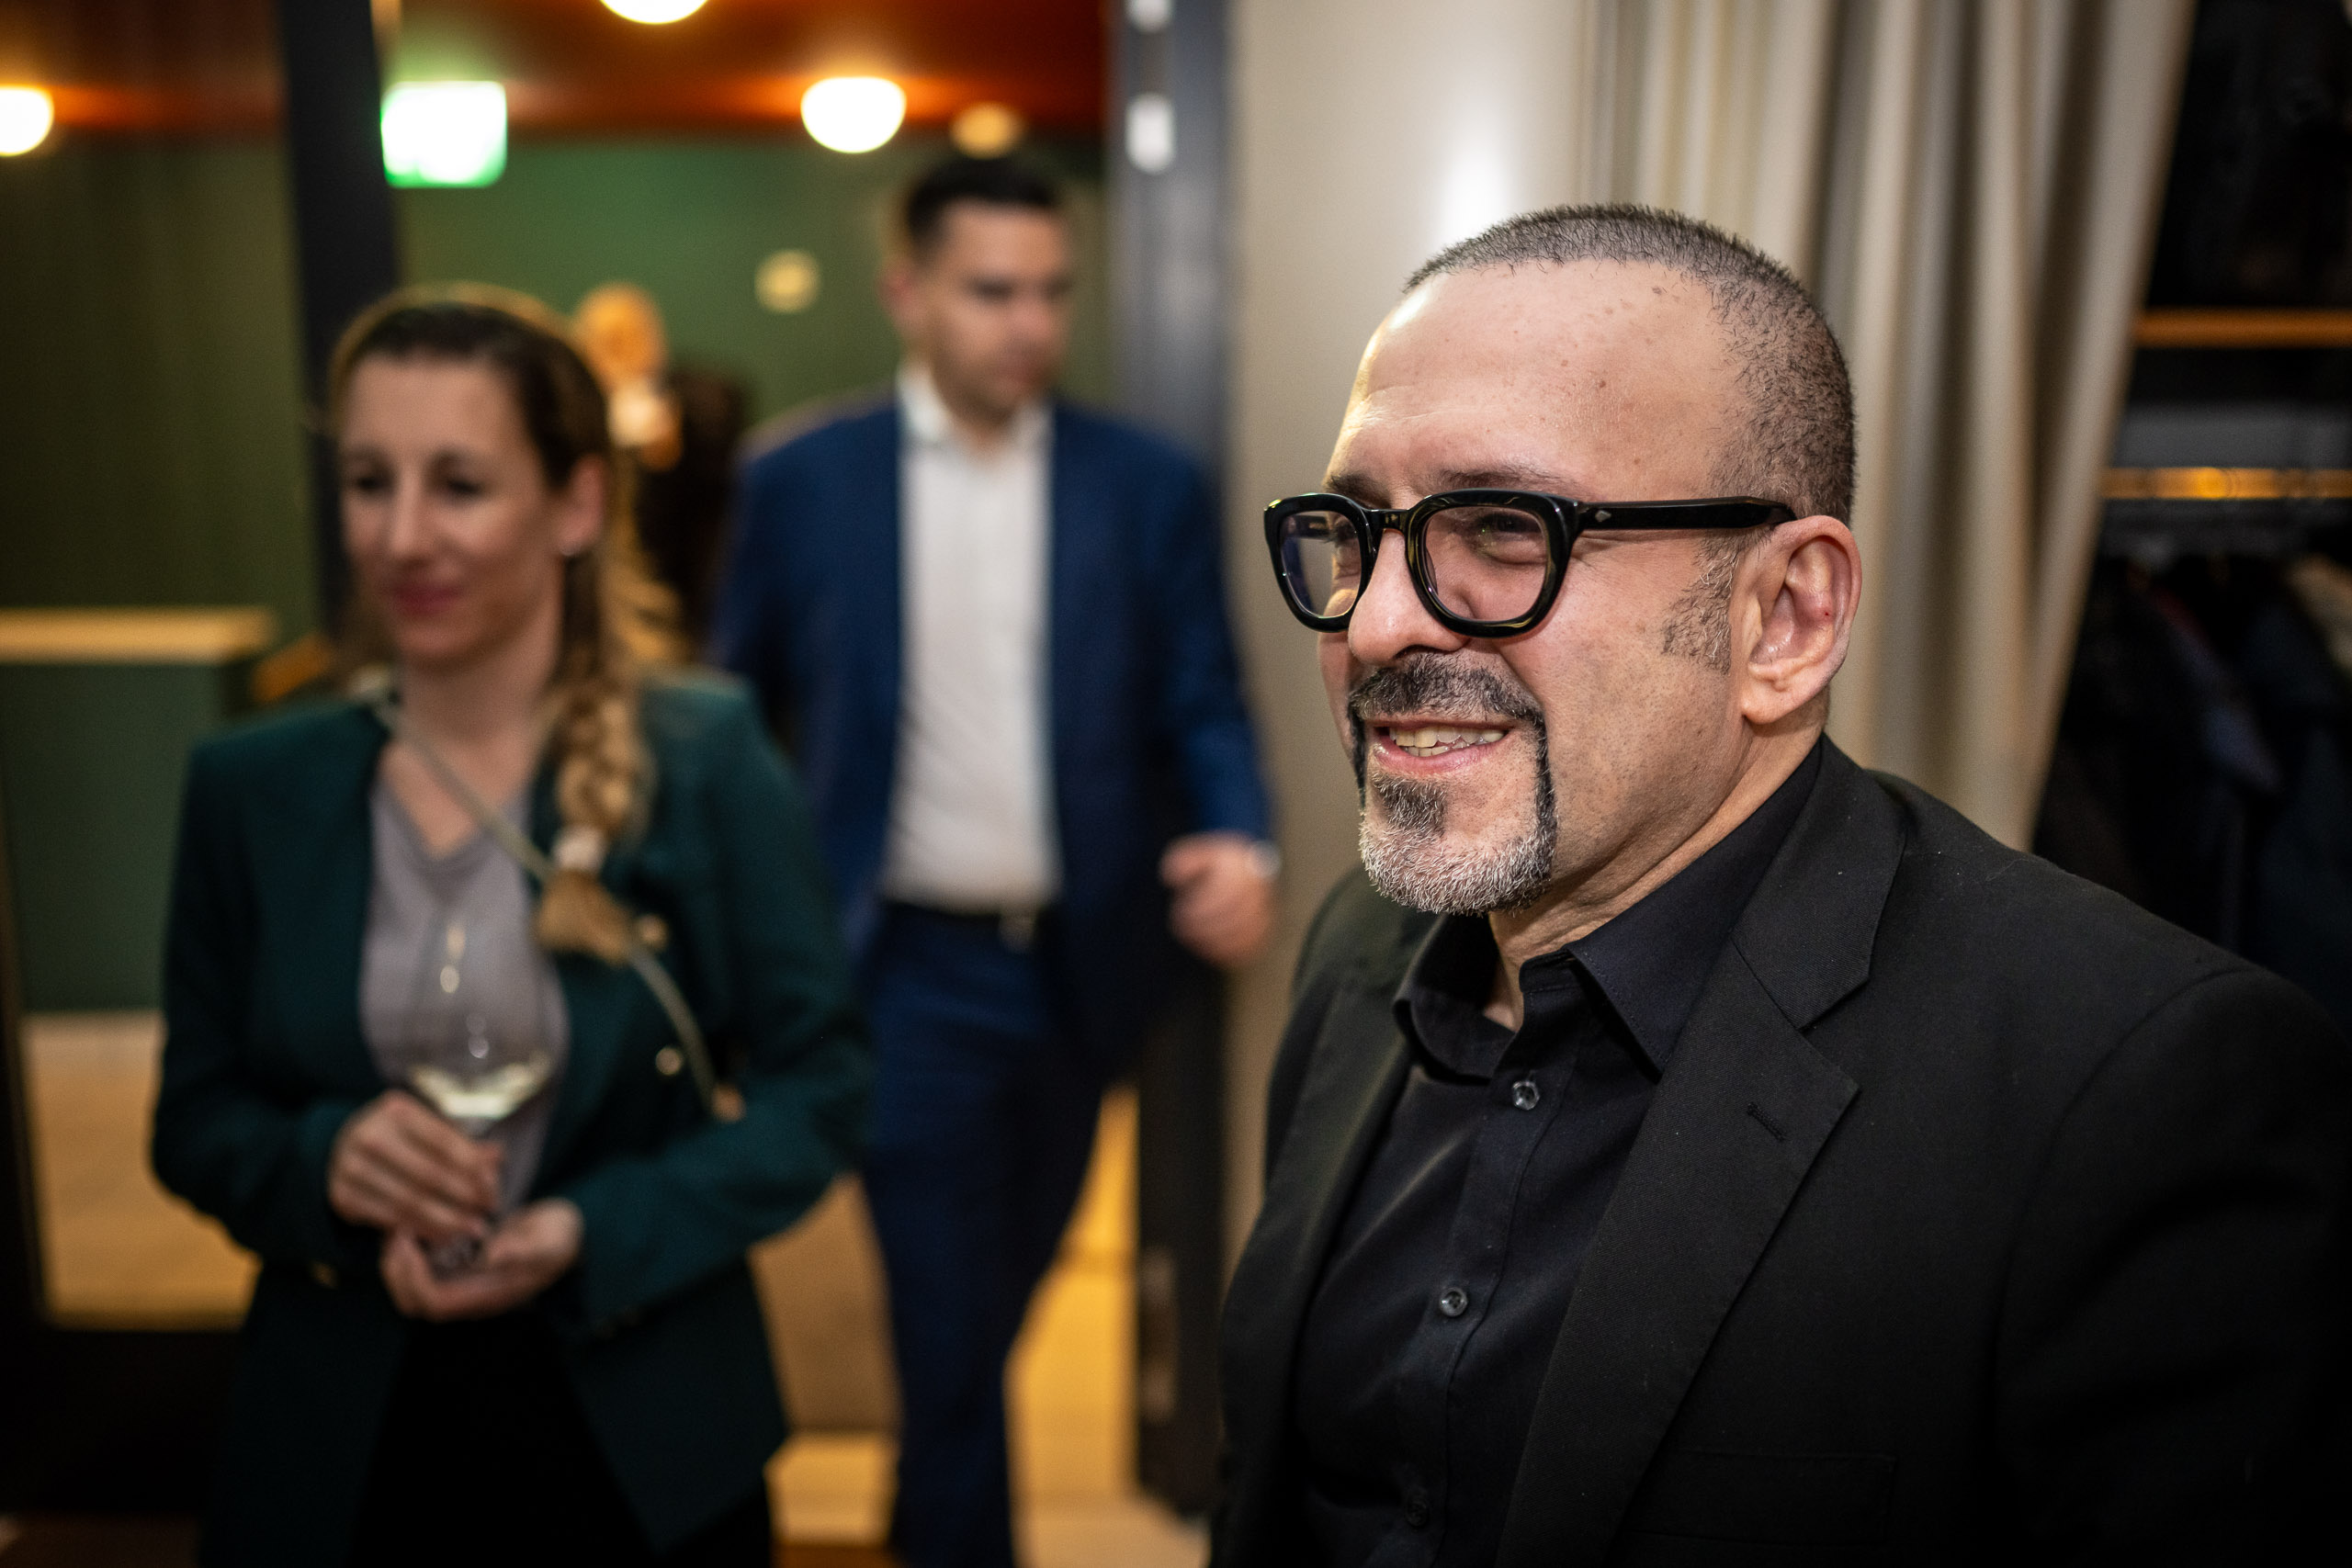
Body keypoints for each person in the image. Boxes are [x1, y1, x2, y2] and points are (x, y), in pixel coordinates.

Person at [1215, 206, 2351, 1564]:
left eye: (1505, 530)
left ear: (1788, 618)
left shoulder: (2133, 1091)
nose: (1378, 620)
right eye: (1354, 529)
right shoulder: (1359, 949)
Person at [152, 286, 868, 1566]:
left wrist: (594, 1227)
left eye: (461, 485)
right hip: (343, 1439)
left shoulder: (702, 759)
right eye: (370, 481)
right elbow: (194, 1119)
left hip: (646, 1435)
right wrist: (324, 1159)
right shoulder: (250, 789)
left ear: (577, 505)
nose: (403, 536)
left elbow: (820, 1092)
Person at [714, 155, 1275, 1568]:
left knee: (995, 1298)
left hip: (1085, 966)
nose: (1029, 323)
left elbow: (1202, 690)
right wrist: (750, 918)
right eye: (991, 290)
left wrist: (1239, 830)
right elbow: (732, 716)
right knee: (950, 1322)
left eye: (1051, 291)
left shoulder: (1142, 483)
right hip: (901, 968)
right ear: (907, 291)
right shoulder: (800, 479)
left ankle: (925, 1505)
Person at [573, 281, 749, 647]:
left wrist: (672, 435)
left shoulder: (702, 400)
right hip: (602, 600)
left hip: (692, 598)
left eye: (629, 336)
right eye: (608, 341)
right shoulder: (573, 414)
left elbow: (720, 479)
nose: (621, 351)